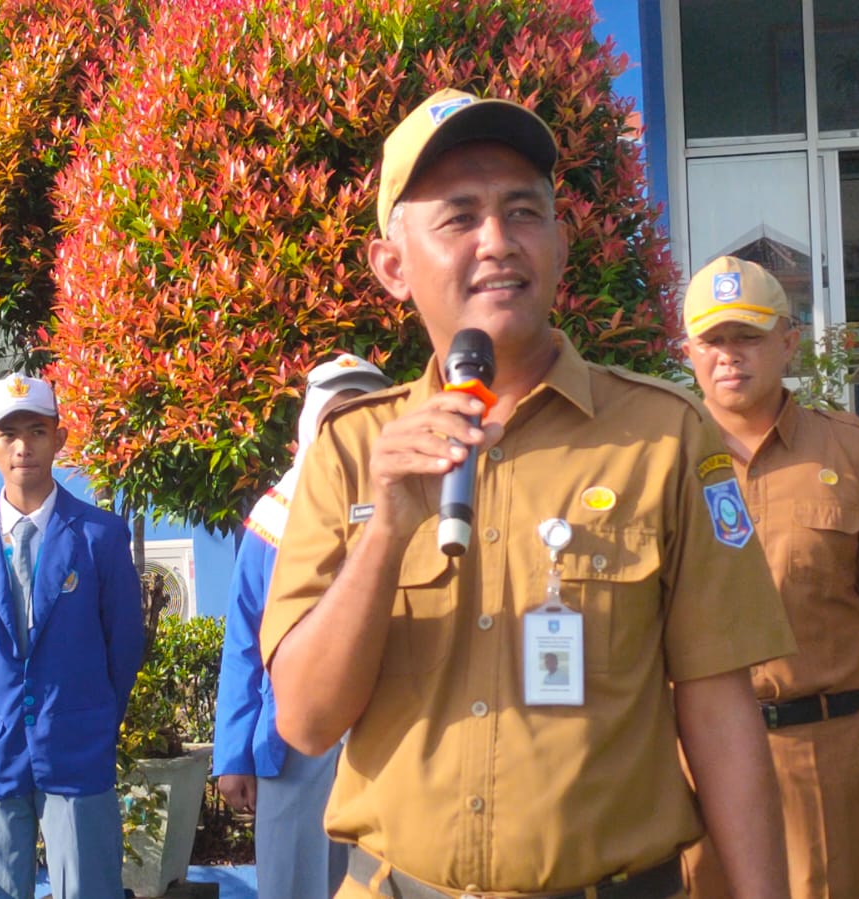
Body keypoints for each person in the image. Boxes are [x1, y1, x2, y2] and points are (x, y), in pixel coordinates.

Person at [259, 88, 797, 899]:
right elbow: (303, 718)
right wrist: (387, 531)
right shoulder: (352, 450)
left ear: (559, 243)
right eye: (459, 217)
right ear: (392, 266)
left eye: (522, 212)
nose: (497, 243)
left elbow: (719, 712)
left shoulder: (664, 439)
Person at [679, 256, 859, 899]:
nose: (729, 356)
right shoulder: (656, 460)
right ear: (689, 351)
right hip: (689, 754)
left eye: (748, 337)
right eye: (713, 340)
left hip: (820, 747)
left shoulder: (851, 450)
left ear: (788, 342)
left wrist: (820, 677)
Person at [0, 373, 144, 899]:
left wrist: (89, 713)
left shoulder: (101, 536)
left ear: (60, 437)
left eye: (36, 429)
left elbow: (122, 647)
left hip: (77, 748)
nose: (23, 446)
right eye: (8, 434)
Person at [212, 353, 392, 899]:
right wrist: (233, 755)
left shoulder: (415, 508)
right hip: (291, 746)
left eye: (364, 414)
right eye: (337, 417)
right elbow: (244, 642)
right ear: (312, 426)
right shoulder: (272, 522)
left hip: (389, 743)